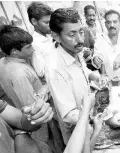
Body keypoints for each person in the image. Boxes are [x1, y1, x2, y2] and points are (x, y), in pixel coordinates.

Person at [46, 8, 104, 144]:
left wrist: (93, 76)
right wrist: (95, 115)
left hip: (89, 116)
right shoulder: (55, 69)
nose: (80, 39)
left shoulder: (74, 49)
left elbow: (81, 70)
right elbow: (68, 115)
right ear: (56, 36)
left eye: (81, 32)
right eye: (72, 34)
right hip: (78, 131)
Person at [0, 25, 53, 152]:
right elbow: (33, 107)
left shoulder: (3, 61)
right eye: (28, 47)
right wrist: (46, 88)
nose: (33, 49)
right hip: (36, 125)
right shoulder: (19, 74)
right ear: (14, 51)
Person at [27, 2, 54, 79]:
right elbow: (41, 73)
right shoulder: (35, 44)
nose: (51, 25)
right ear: (34, 21)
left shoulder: (49, 36)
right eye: (46, 22)